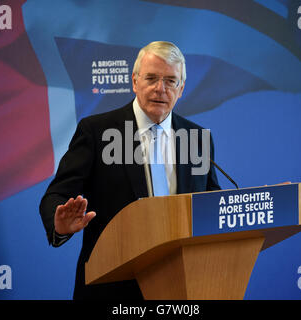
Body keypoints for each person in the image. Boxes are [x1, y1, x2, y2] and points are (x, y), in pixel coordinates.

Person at [39, 41, 221, 300]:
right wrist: (60, 225)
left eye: (171, 81)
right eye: (151, 78)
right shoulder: (98, 132)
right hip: (112, 285)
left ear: (181, 89)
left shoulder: (197, 138)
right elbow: (55, 196)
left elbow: (212, 205)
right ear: (134, 81)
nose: (161, 88)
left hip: (182, 284)